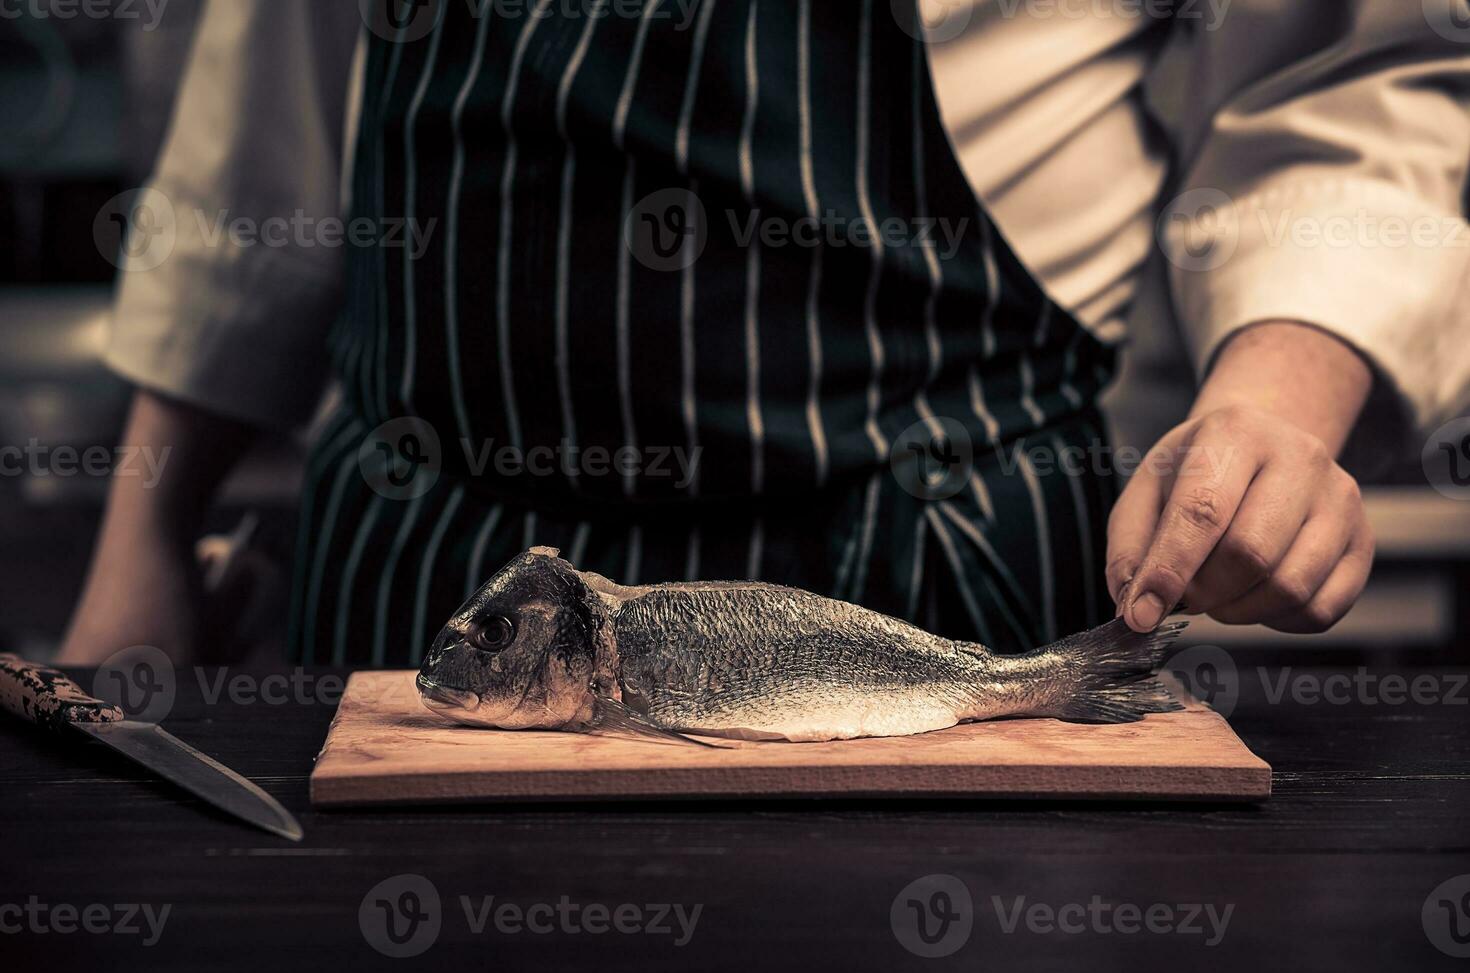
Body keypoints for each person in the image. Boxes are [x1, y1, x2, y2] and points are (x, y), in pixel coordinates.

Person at [59, 0, 1470, 667]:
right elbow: (265, 138)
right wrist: (141, 553)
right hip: (439, 602)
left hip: (938, 595)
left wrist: (1279, 407)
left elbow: (1354, 70)